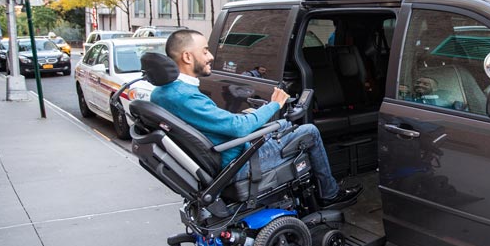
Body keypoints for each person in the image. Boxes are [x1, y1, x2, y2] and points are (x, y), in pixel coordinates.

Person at [151, 30, 361, 207]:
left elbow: (214, 123)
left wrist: (249, 116)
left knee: (284, 127)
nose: (211, 56)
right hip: (238, 162)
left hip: (225, 153)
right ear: (187, 57)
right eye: (205, 51)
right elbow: (238, 128)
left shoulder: (161, 93)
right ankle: (330, 195)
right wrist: (275, 104)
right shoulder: (185, 96)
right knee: (309, 132)